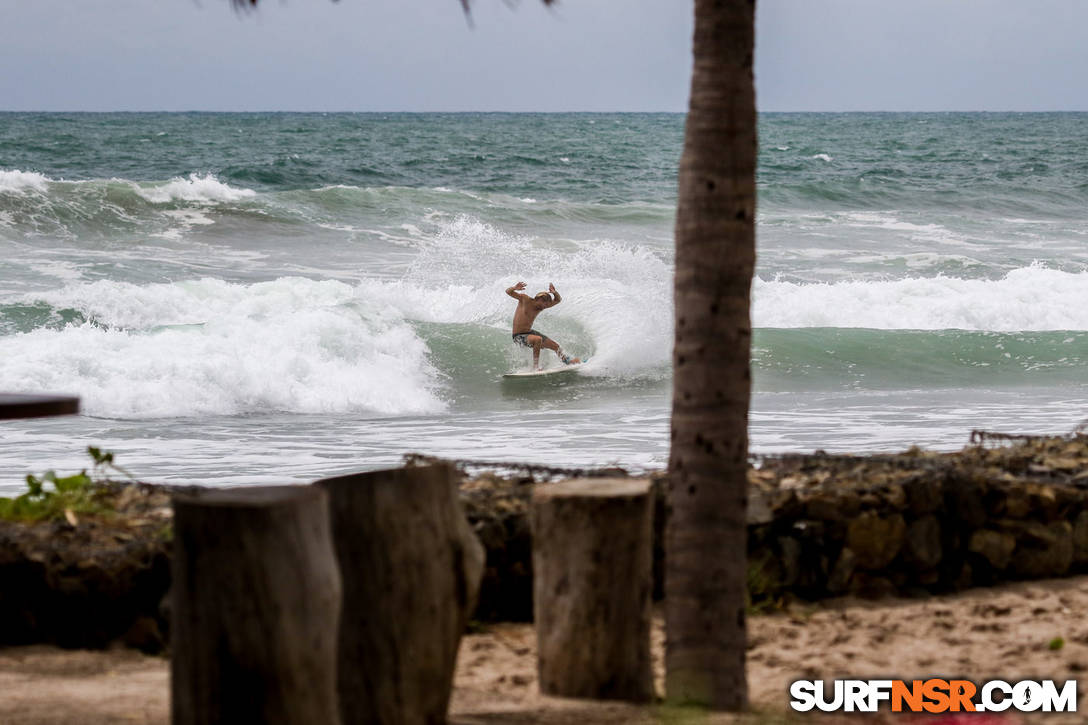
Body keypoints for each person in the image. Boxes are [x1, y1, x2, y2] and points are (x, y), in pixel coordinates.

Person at [505, 281, 581, 369]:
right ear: (539, 299)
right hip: (518, 336)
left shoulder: (540, 307)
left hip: (529, 333)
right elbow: (508, 292)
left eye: (547, 305)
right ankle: (536, 367)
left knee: (555, 346)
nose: (545, 307)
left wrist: (554, 293)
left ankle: (568, 362)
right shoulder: (525, 299)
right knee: (538, 339)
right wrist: (514, 288)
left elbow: (558, 300)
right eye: (545, 304)